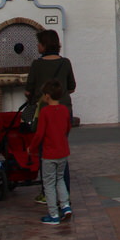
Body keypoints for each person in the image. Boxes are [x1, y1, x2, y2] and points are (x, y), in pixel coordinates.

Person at [26, 29, 76, 201]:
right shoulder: (65, 63)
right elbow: (71, 87)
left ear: (45, 45)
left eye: (39, 43)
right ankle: (64, 192)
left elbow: (28, 90)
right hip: (64, 110)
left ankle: (48, 193)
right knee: (61, 150)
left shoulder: (37, 65)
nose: (37, 46)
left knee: (45, 152)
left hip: (44, 112)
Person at [28, 80, 73, 225]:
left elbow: (40, 134)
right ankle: (65, 206)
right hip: (63, 151)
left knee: (48, 183)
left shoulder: (45, 112)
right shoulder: (65, 110)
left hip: (49, 153)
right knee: (60, 179)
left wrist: (32, 148)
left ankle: (53, 214)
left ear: (47, 96)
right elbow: (67, 128)